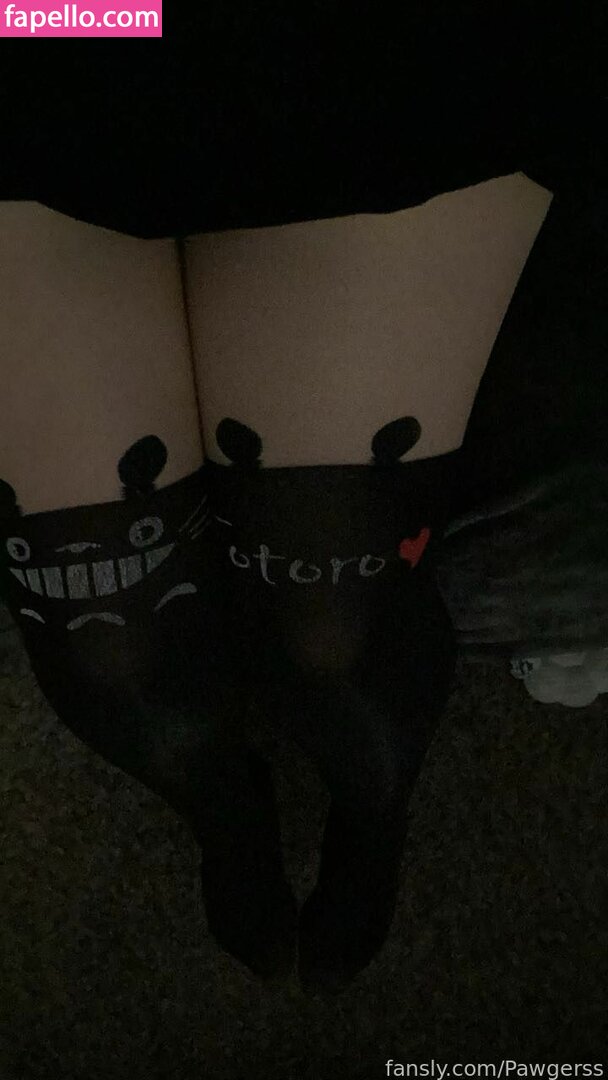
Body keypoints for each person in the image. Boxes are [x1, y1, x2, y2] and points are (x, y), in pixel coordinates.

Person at [0, 8, 603, 992]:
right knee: (111, 655)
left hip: (348, 58)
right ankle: (223, 807)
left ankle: (373, 809)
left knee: (328, 628)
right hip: (43, 36)